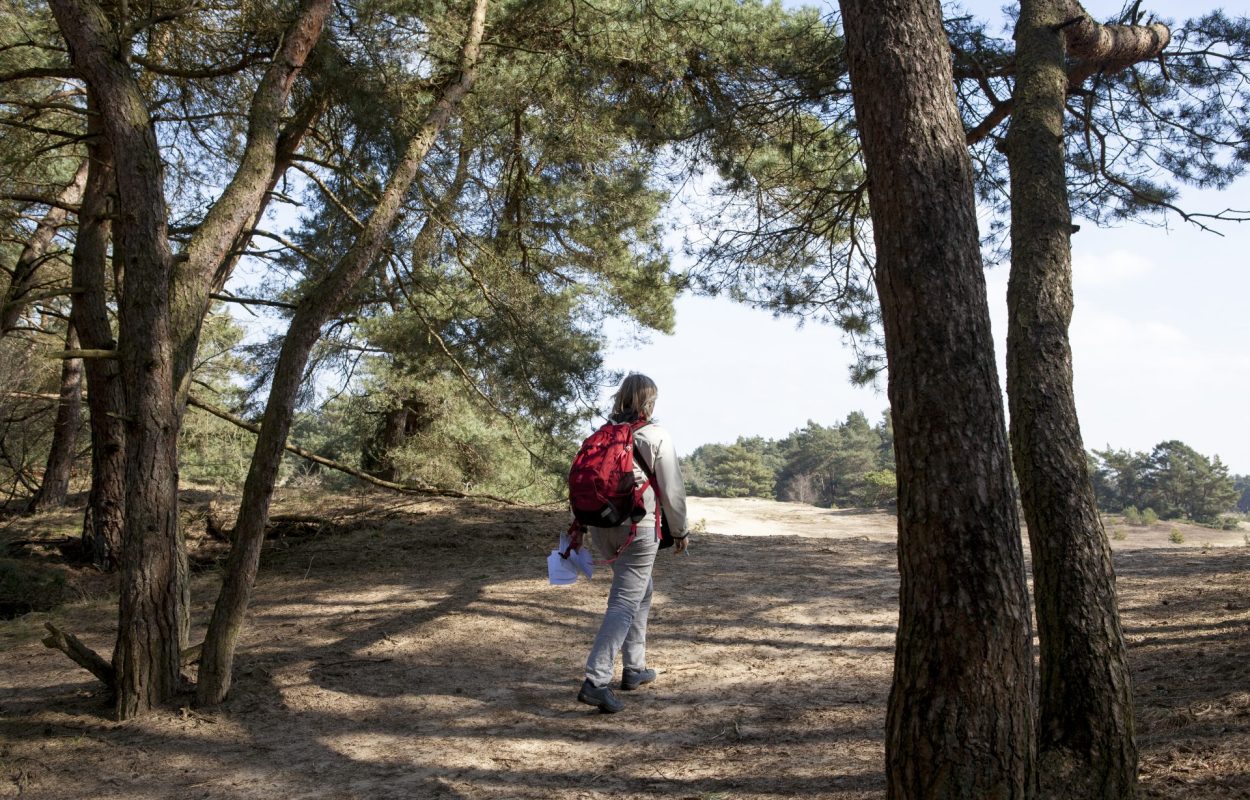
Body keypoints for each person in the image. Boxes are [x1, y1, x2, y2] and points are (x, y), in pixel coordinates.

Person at [577, 373, 688, 714]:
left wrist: (579, 525)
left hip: (600, 526)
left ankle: (634, 668)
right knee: (624, 602)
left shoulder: (600, 435)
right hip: (637, 529)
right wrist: (681, 530)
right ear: (649, 402)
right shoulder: (656, 436)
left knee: (642, 590)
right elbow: (672, 491)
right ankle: (596, 681)